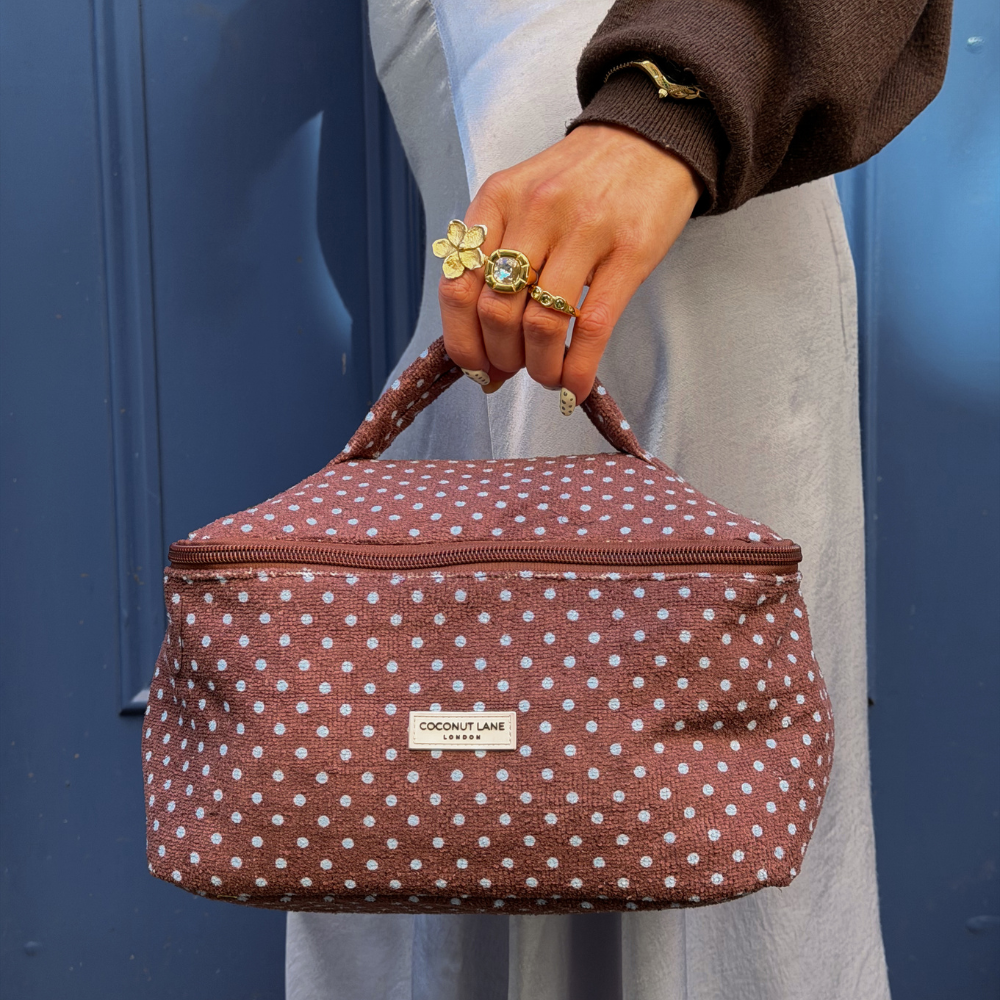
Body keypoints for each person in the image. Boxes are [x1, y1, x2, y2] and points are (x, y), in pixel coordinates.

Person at [286, 1, 952, 997]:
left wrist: (668, 103)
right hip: (504, 210)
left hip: (663, 150)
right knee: (474, 826)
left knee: (704, 882)